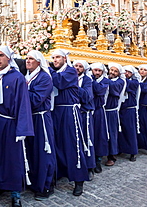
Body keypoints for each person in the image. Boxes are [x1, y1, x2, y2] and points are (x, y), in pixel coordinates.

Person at [0, 46, 34, 207]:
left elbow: (23, 103)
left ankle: (15, 193)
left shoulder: (17, 77)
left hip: (10, 122)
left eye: (1, 56)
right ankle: (1, 184)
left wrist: (22, 128)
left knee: (12, 158)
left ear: (8, 58)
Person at [49, 49, 88, 196]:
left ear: (65, 58)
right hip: (56, 112)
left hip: (69, 112)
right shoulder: (55, 71)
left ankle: (79, 180)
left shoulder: (71, 71)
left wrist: (48, 69)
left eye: (58, 57)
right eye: (53, 57)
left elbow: (59, 82)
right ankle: (60, 173)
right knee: (57, 144)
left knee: (73, 144)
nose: (55, 60)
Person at [24, 50, 56, 201]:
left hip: (41, 118)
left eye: (31, 59)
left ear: (38, 62)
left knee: (44, 152)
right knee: (31, 151)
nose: (28, 61)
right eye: (26, 58)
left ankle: (46, 185)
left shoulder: (44, 77)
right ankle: (35, 182)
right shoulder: (27, 76)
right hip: (29, 118)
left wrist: (21, 90)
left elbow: (36, 99)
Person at [73, 60, 95, 180]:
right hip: (73, 113)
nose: (77, 68)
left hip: (84, 113)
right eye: (76, 66)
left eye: (80, 66)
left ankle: (89, 167)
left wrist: (74, 85)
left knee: (87, 140)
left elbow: (87, 96)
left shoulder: (87, 80)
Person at [104, 63, 127, 167]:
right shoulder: (106, 79)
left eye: (115, 71)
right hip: (102, 111)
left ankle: (112, 156)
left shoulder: (120, 82)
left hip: (111, 111)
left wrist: (102, 80)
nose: (112, 72)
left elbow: (113, 88)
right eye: (111, 70)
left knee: (112, 134)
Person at [89, 62, 110, 173]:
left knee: (99, 135)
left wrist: (91, 80)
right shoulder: (89, 79)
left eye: (99, 71)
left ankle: (98, 160)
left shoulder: (105, 81)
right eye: (95, 70)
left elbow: (99, 90)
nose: (96, 73)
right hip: (88, 111)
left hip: (98, 111)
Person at [119, 65, 140, 162]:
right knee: (121, 131)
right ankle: (121, 148)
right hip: (120, 109)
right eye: (125, 71)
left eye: (128, 72)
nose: (126, 73)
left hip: (129, 109)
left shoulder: (134, 82)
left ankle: (133, 152)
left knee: (130, 131)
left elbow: (128, 85)